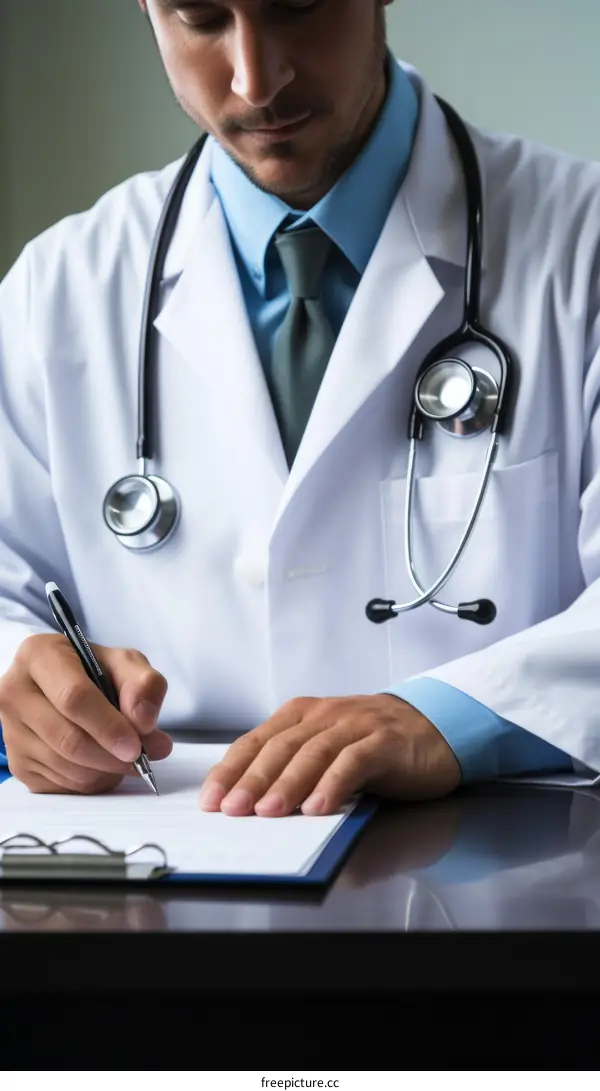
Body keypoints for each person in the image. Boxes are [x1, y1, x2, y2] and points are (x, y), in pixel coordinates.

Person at [0, 0, 599, 817]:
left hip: (493, 895)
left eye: (295, 8)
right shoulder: (56, 291)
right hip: (167, 893)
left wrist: (454, 719)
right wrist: (21, 674)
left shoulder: (582, 250)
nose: (256, 80)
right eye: (202, 19)